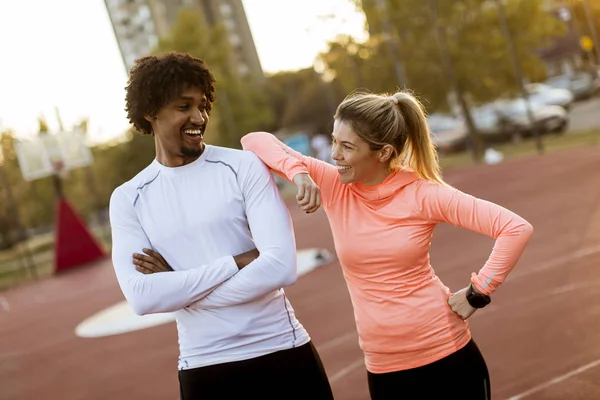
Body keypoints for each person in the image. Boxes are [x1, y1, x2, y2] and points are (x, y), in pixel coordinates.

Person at [241, 90, 534, 400]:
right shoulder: (336, 186)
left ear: (382, 153)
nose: (334, 155)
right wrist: (298, 172)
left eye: (347, 146)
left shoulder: (423, 194)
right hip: (384, 367)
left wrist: (478, 293)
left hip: (447, 357)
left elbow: (514, 228)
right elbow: (253, 140)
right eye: (334, 142)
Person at [109, 52, 334, 400]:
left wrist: (182, 293)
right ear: (151, 110)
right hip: (204, 368)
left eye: (203, 105)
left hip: (283, 353)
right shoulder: (128, 198)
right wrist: (236, 262)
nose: (198, 117)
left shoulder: (243, 167)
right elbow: (142, 297)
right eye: (184, 106)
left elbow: (280, 267)